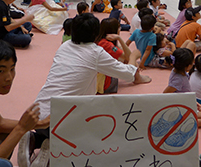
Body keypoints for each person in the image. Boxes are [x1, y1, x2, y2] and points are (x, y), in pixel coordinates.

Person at [19, 13, 151, 166]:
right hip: (59, 122)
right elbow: (129, 73)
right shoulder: (96, 53)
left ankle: (35, 139)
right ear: (96, 34)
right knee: (97, 133)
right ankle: (50, 153)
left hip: (37, 114)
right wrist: (134, 56)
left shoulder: (64, 47)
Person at [162, 48, 201, 128]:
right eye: (192, 62)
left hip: (187, 101)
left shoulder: (177, 70)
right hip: (182, 106)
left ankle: (184, 118)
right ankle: (181, 122)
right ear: (187, 66)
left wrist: (194, 101)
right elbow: (165, 93)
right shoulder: (178, 79)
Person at [95, 18, 141, 94]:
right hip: (104, 83)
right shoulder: (107, 45)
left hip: (97, 78)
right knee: (130, 58)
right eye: (119, 28)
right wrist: (120, 39)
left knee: (125, 59)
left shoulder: (100, 39)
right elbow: (129, 57)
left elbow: (121, 50)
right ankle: (138, 78)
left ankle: (138, 77)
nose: (120, 29)